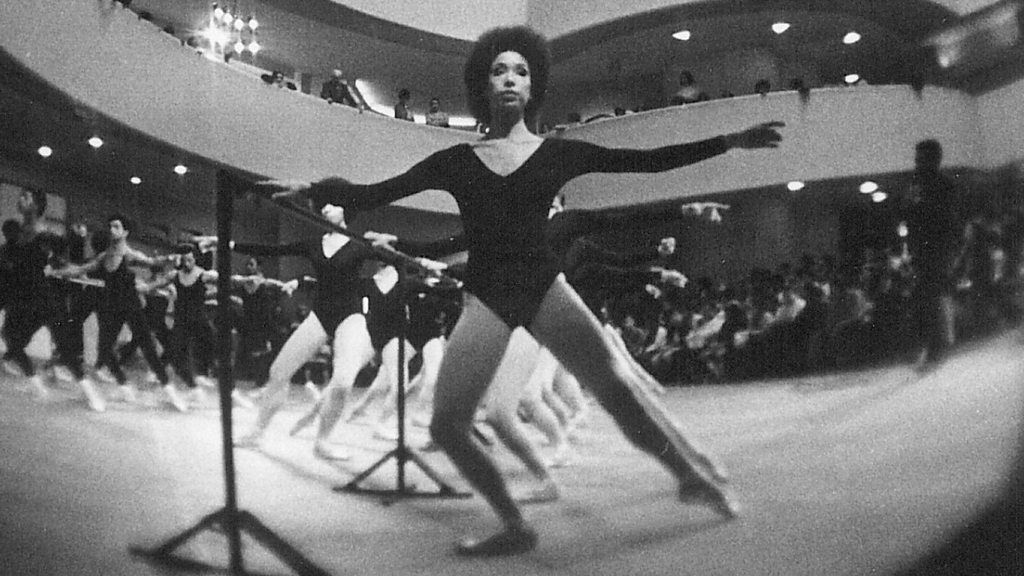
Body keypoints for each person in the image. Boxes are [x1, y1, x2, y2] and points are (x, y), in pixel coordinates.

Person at [261, 25, 784, 557]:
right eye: (498, 71)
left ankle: (687, 476)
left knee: (620, 398)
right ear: (484, 88)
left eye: (521, 71)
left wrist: (730, 141)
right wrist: (315, 190)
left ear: (533, 89)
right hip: (486, 297)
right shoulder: (456, 162)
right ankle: (514, 523)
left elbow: (648, 162)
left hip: (544, 289)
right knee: (447, 425)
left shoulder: (559, 154)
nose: (510, 79)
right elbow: (374, 193)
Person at [217, 203, 398, 460]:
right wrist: (226, 244)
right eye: (322, 205)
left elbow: (395, 259)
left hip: (350, 316)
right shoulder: (313, 243)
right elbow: (275, 250)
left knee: (344, 381)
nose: (325, 209)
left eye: (332, 204)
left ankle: (323, 441)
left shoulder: (359, 244)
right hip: (320, 315)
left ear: (346, 209)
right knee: (278, 371)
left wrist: (400, 251)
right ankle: (257, 431)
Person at [48, 214, 185, 411]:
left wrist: (170, 258)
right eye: (110, 226)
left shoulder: (129, 255)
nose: (112, 229)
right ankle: (124, 384)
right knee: (103, 350)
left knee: (148, 349)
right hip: (112, 308)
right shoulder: (104, 257)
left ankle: (170, 391)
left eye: (117, 226)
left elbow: (151, 261)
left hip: (132, 308)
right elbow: (79, 270)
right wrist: (56, 272)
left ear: (125, 232)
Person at [2, 190, 104, 411]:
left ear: (37, 206)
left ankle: (90, 392)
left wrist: (82, 268)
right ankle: (37, 385)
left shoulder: (47, 236)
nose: (21, 199)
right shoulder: (17, 236)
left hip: (46, 299)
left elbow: (62, 262)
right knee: (11, 338)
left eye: (26, 197)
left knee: (66, 350)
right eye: (21, 196)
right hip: (23, 300)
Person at [903, 139, 962, 372]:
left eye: (921, 159)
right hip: (921, 248)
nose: (917, 163)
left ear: (934, 160)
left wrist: (949, 251)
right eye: (917, 159)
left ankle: (936, 347)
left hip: (938, 248)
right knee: (925, 297)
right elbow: (907, 214)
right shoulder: (916, 184)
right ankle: (931, 345)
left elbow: (947, 219)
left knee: (932, 295)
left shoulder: (944, 185)